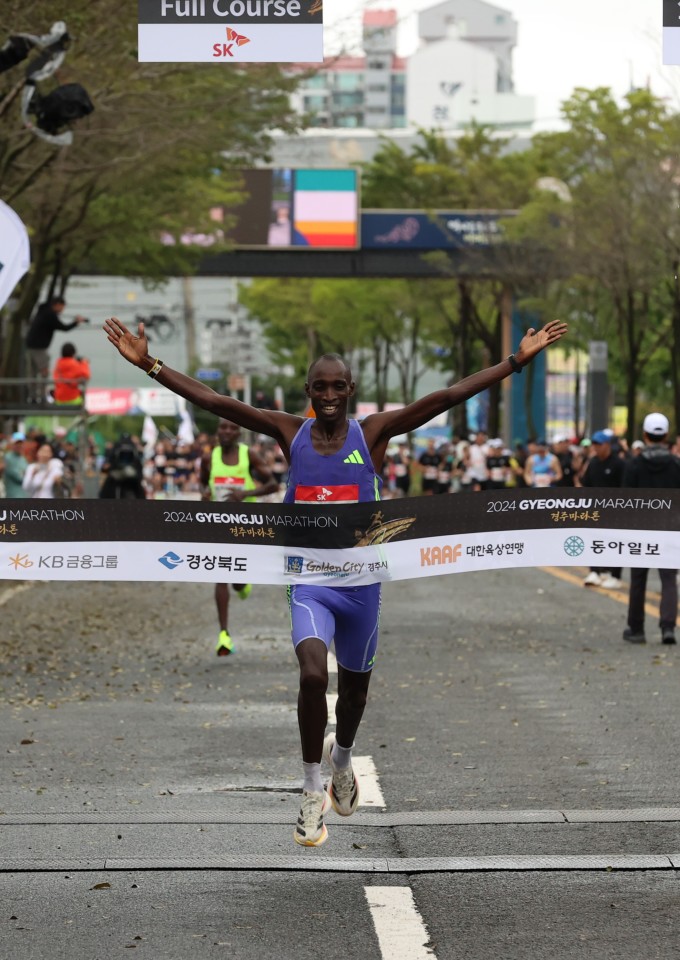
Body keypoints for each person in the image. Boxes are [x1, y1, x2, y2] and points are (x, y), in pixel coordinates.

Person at [103, 313, 568, 847]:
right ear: (308, 392)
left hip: (362, 588)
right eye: (319, 386)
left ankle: (342, 758)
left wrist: (516, 361)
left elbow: (447, 396)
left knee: (355, 694)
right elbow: (216, 403)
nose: (328, 394)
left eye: (337, 386)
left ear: (351, 390)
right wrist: (151, 365)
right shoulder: (288, 431)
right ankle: (308, 789)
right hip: (309, 582)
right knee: (311, 677)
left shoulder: (373, 433)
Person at [200, 418, 278, 656]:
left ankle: (243, 583)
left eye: (232, 428)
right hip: (218, 523)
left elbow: (273, 484)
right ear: (217, 431)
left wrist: (246, 493)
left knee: (237, 579)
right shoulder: (208, 458)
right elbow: (204, 483)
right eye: (223, 427)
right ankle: (224, 636)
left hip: (245, 525)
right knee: (221, 575)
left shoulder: (249, 455)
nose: (226, 431)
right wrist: (205, 494)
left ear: (239, 433)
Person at [622, 412, 680, 646]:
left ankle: (636, 629)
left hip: (641, 527)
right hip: (670, 527)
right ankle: (668, 628)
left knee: (638, 578)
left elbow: (624, 499)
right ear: (666, 436)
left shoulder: (635, 464)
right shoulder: (676, 465)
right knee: (668, 578)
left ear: (644, 435)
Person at [580, 430, 625, 589]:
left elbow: (624, 488)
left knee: (614, 542)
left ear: (607, 445)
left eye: (599, 444)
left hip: (615, 510)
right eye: (594, 444)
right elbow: (586, 483)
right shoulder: (593, 463)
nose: (596, 447)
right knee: (594, 540)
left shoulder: (618, 464)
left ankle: (615, 574)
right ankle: (595, 571)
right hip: (595, 509)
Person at [25, 296, 86, 402]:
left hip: (30, 345)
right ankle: (42, 397)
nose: (62, 310)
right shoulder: (50, 315)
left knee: (32, 373)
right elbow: (64, 327)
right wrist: (76, 322)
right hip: (39, 347)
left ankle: (33, 396)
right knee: (43, 372)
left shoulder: (43, 311)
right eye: (62, 307)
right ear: (57, 305)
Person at [2, 432, 28, 497]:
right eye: (17, 443)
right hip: (13, 495)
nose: (19, 445)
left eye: (21, 443)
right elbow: (19, 478)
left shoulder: (23, 458)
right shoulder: (8, 457)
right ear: (12, 444)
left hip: (24, 494)